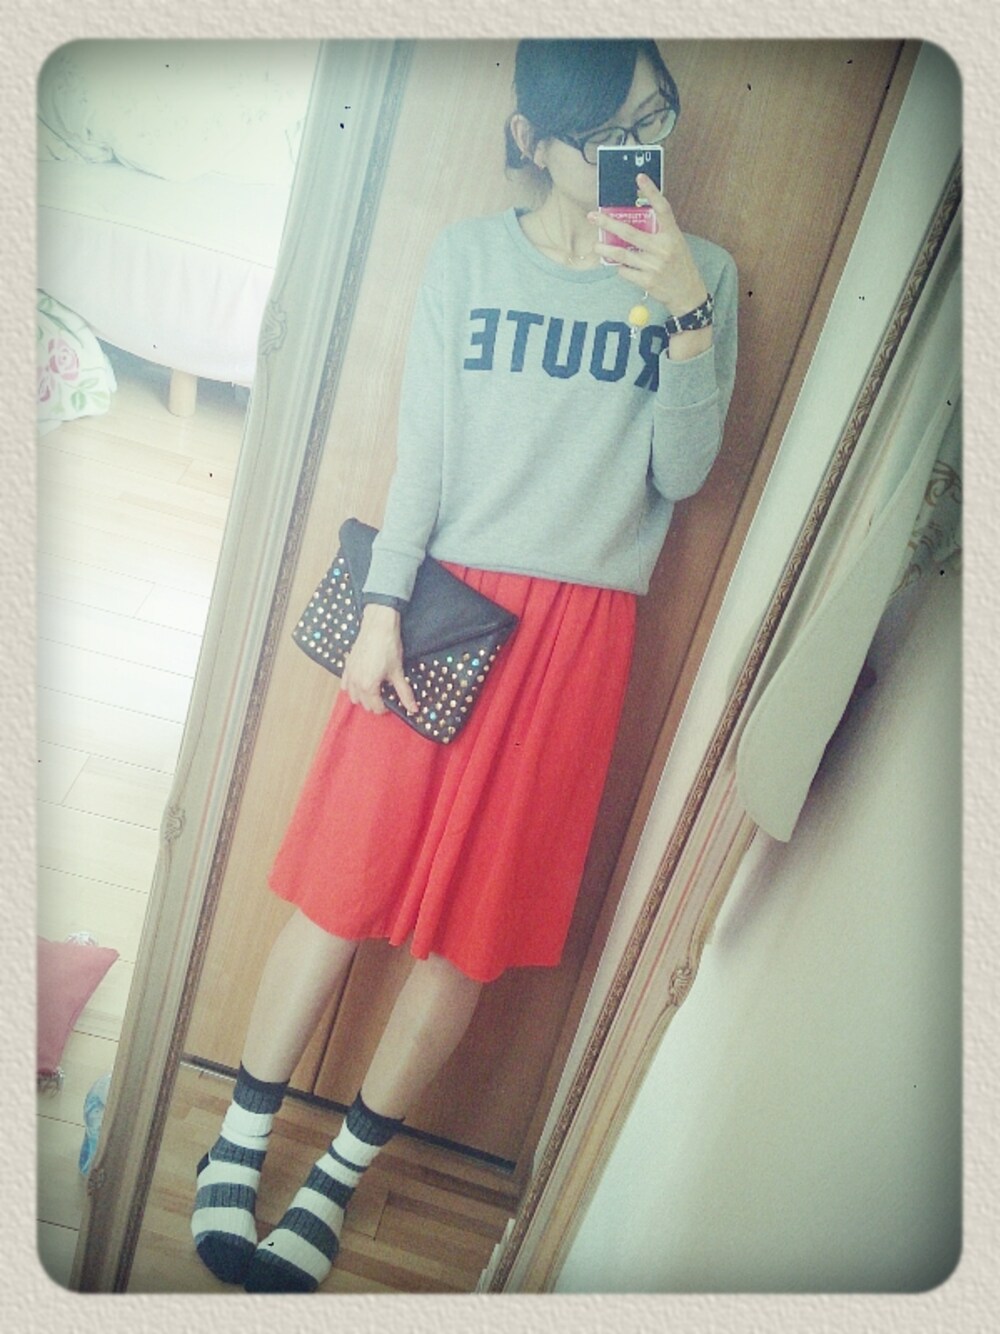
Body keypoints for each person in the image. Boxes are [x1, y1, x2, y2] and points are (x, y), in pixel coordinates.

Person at [191, 37, 738, 1293]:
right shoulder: (469, 258)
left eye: (652, 118)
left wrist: (683, 311)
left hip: (578, 641)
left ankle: (336, 1177)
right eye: (605, 134)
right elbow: (424, 453)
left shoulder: (700, 274)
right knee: (341, 887)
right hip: (440, 607)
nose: (637, 153)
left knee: (470, 936)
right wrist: (380, 607)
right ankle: (240, 1135)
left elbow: (683, 472)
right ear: (533, 138)